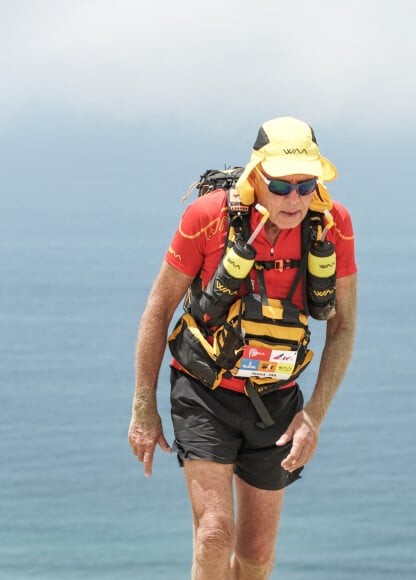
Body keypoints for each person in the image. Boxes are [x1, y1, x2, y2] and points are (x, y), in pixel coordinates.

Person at [128, 116, 357, 579]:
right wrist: (142, 407)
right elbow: (158, 310)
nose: (294, 199)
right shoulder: (207, 218)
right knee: (214, 535)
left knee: (255, 554)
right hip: (204, 391)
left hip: (275, 399)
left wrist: (314, 414)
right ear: (257, 178)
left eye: (306, 185)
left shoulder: (333, 225)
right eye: (281, 186)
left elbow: (344, 325)